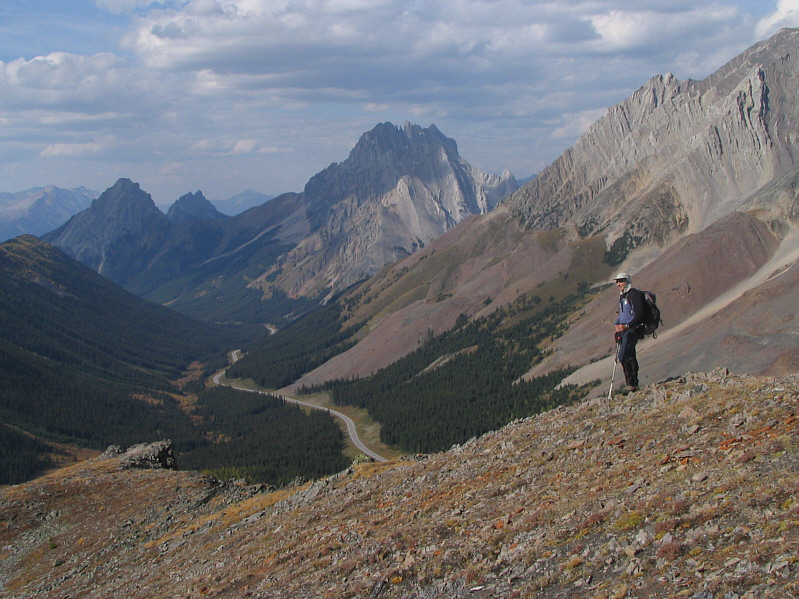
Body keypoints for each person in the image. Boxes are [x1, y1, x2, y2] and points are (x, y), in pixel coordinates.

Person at [612, 272, 645, 394]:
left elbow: (639, 314)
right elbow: (623, 315)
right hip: (624, 330)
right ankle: (632, 384)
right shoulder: (623, 296)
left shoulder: (633, 295)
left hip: (632, 329)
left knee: (623, 355)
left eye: (621, 281)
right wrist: (617, 324)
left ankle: (631, 383)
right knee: (630, 355)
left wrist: (626, 326)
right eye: (617, 281)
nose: (618, 284)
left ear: (627, 281)